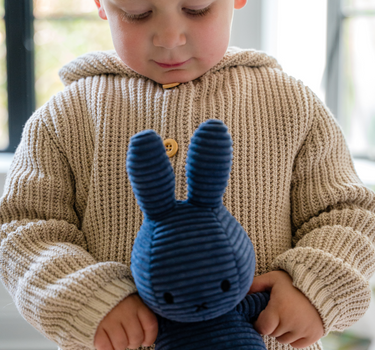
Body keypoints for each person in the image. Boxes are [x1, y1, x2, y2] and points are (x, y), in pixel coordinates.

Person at [0, 0, 374, 349]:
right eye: (138, 12)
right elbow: (23, 229)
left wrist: (315, 286)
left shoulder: (292, 105)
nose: (169, 38)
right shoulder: (64, 118)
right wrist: (87, 297)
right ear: (100, 3)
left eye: (197, 9)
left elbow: (349, 213)